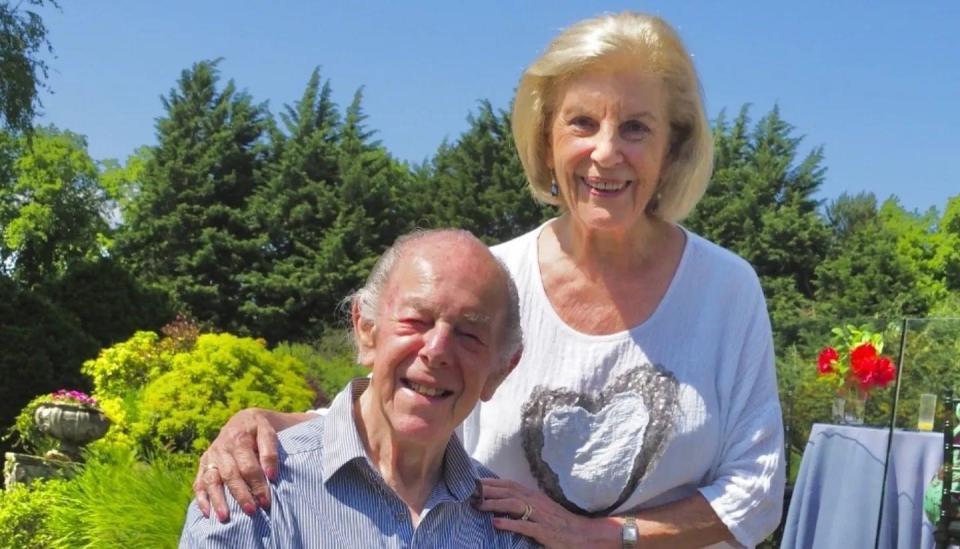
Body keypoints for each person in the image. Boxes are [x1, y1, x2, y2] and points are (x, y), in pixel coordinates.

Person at [193, 12, 785, 549]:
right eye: (582, 123)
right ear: (547, 140)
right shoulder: (493, 280)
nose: (606, 153)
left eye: (636, 128)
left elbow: (756, 493)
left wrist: (600, 535)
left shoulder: (725, 290)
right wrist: (264, 422)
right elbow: (407, 395)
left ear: (672, 147)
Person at [180, 230, 536, 548]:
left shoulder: (504, 530)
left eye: (469, 334)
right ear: (366, 329)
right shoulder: (255, 492)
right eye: (415, 321)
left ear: (499, 371)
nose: (437, 350)